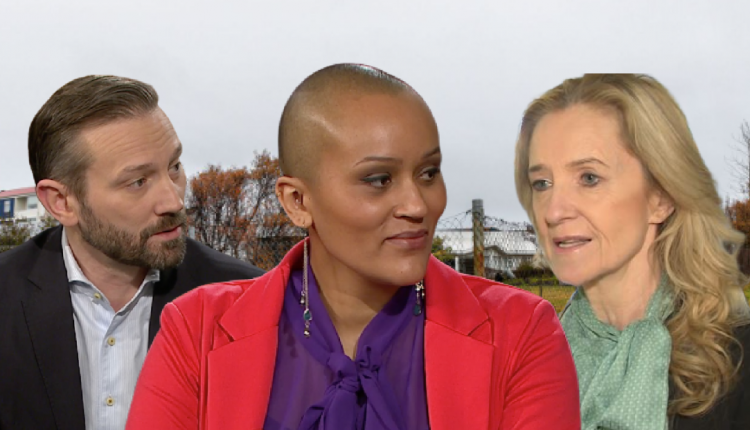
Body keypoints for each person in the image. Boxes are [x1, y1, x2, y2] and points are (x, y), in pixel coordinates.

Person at [126, 64, 580, 430]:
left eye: (428, 173)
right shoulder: (196, 332)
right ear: (297, 201)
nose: (417, 205)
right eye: (379, 180)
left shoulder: (521, 334)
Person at [0, 75, 264, 430]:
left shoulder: (249, 302)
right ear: (62, 202)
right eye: (138, 182)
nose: (173, 201)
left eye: (174, 167)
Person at [514, 74, 750, 430]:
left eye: (589, 178)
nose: (553, 211)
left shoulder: (737, 361)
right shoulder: (524, 359)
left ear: (661, 198)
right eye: (542, 183)